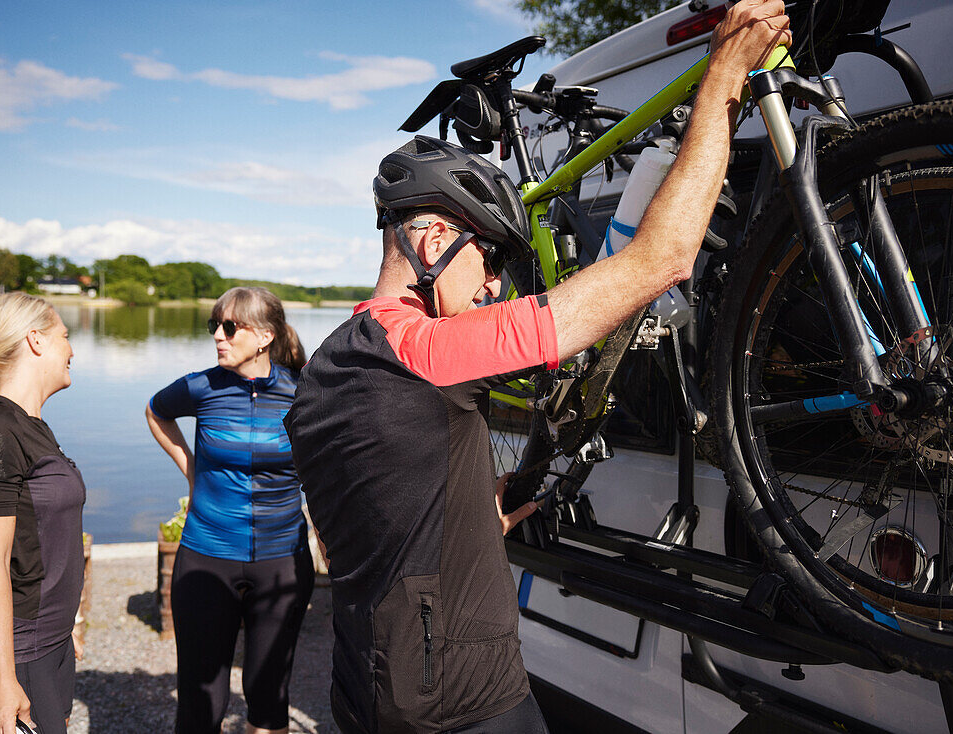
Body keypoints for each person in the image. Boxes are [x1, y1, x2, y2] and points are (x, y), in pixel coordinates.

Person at [284, 2, 792, 732]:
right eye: (489, 257)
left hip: (369, 689)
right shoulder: (425, 350)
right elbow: (660, 260)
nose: (493, 285)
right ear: (432, 244)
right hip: (462, 708)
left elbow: (353, 533)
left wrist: (462, 523)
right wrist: (720, 83)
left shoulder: (331, 366)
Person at [145, 286, 314, 734]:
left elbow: (327, 462)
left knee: (269, 699)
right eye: (214, 326)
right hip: (206, 556)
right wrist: (191, 470)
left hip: (282, 560)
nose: (218, 336)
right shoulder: (202, 386)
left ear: (264, 336)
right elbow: (156, 410)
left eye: (229, 327)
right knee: (202, 704)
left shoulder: (301, 393)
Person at [0, 292, 84, 734]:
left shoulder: (30, 426)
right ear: (36, 340)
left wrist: (69, 623)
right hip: (16, 654)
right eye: (65, 337)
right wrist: (2, 683)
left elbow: (43, 539)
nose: (72, 349)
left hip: (50, 644)